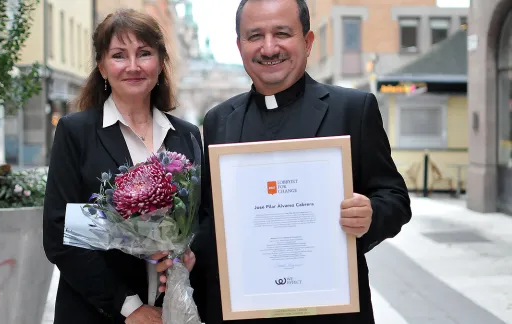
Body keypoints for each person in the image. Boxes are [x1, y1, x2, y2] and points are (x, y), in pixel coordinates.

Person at [156, 0, 412, 323]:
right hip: (242, 312)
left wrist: (371, 214)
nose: (269, 47)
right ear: (239, 46)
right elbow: (211, 218)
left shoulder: (352, 109)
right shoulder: (220, 120)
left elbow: (396, 199)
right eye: (255, 36)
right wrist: (190, 256)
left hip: (329, 312)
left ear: (307, 42)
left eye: (282, 33)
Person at [42, 9, 201, 324]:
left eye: (144, 54)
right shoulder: (76, 132)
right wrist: (130, 308)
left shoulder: (186, 135)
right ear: (101, 66)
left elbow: (203, 218)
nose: (133, 66)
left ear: (160, 63)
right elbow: (60, 232)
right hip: (99, 312)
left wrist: (190, 251)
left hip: (174, 309)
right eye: (119, 55)